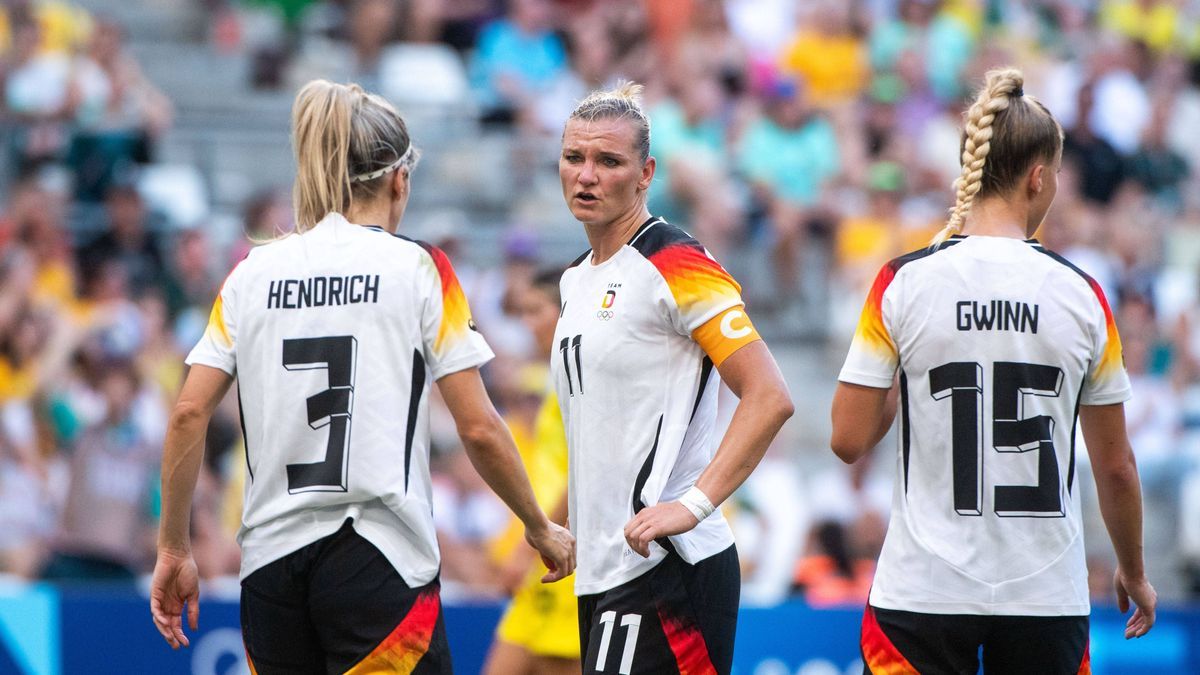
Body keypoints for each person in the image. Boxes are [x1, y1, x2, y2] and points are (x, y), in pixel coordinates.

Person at [148, 80, 574, 673]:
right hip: (378, 558)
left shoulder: (253, 272)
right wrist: (539, 526)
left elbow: (188, 414)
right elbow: (477, 427)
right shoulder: (420, 267)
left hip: (271, 569)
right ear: (399, 179)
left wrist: (173, 545)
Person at [831, 67, 1157, 674]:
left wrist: (912, 367)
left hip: (921, 590)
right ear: (1038, 177)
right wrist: (1133, 571)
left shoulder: (901, 282)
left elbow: (848, 440)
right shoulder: (1084, 294)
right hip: (1044, 594)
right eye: (1056, 175)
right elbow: (1115, 466)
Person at [555, 81, 794, 674]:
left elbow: (769, 397)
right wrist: (564, 526)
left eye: (609, 161)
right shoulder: (574, 279)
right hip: (607, 567)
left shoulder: (676, 260)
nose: (587, 175)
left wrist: (693, 504)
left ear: (646, 173)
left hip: (670, 567)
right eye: (574, 157)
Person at [483, 269, 579, 675]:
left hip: (565, 554)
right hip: (548, 547)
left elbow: (584, 475)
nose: (527, 323)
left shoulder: (579, 376)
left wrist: (528, 550)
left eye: (536, 310)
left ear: (567, 313)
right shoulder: (555, 376)